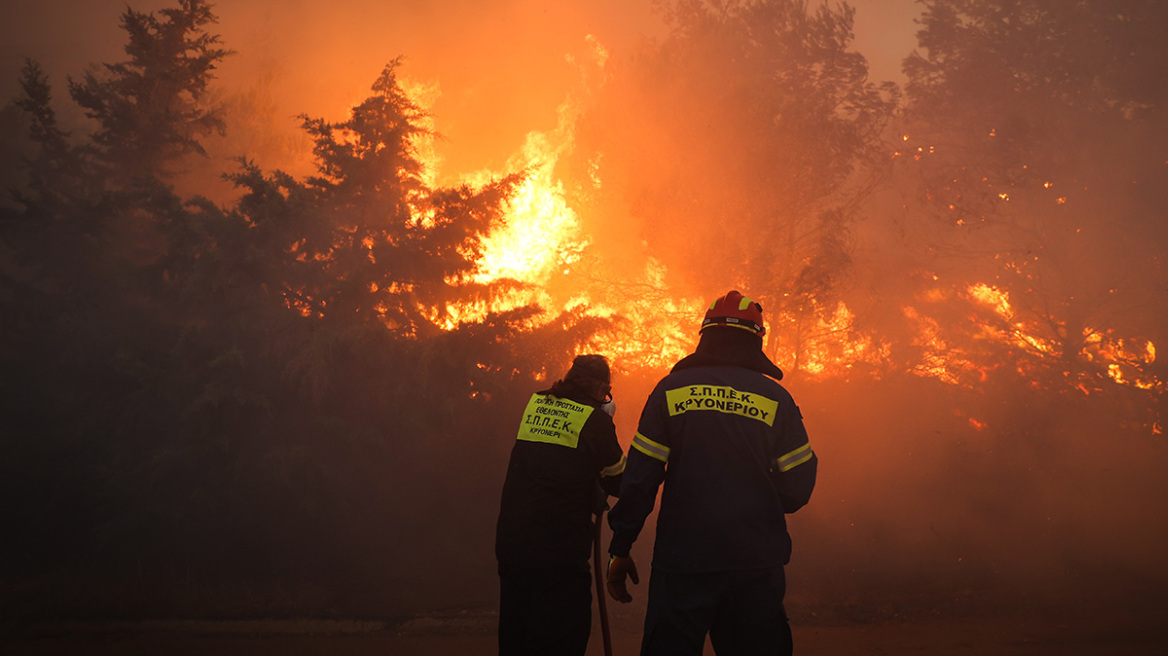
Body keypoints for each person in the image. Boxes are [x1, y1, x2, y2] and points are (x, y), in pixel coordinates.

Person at [606, 291, 818, 656]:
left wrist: (621, 545)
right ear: (756, 339)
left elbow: (640, 480)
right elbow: (797, 487)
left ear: (705, 335)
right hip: (755, 561)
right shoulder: (775, 399)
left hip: (685, 559)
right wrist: (759, 503)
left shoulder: (670, 391)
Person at [495, 354, 627, 656]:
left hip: (513, 547)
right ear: (602, 389)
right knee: (561, 639)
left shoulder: (536, 402)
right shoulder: (595, 422)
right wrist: (605, 421)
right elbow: (620, 482)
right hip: (558, 555)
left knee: (517, 637)